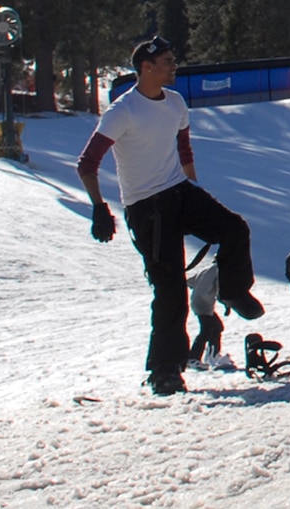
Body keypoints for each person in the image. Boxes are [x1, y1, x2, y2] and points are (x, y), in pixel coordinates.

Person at [76, 37, 264, 396]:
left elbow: (183, 147)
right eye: (167, 61)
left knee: (234, 229)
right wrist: (99, 207)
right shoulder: (123, 111)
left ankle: (235, 291)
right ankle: (165, 370)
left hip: (179, 191)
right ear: (146, 67)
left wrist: (195, 192)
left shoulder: (175, 102)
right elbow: (87, 163)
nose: (174, 65)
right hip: (147, 207)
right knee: (170, 289)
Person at [186, 255, 225, 369]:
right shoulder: (220, 270)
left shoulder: (206, 269)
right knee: (208, 330)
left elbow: (190, 282)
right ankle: (195, 358)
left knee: (216, 327)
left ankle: (212, 354)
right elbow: (220, 290)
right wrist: (226, 304)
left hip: (197, 302)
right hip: (205, 304)